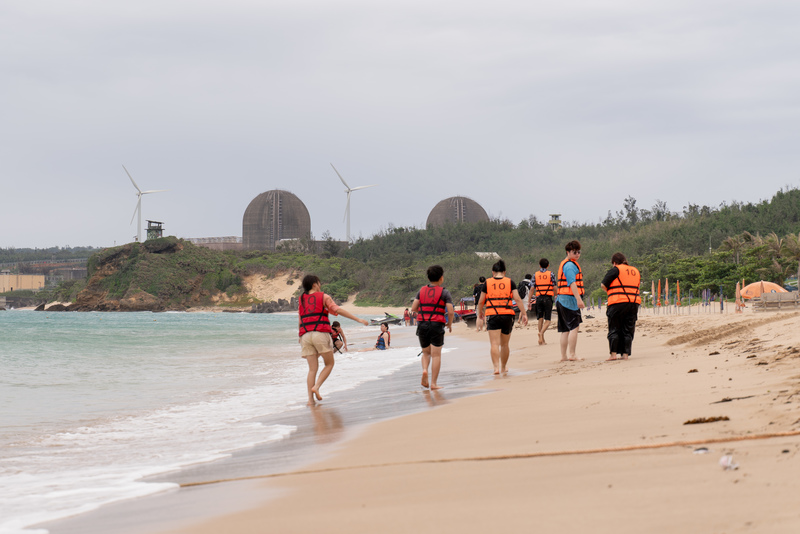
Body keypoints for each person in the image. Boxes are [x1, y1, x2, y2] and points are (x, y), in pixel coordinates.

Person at [298, 274, 369, 405]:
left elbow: (300, 318)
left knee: (312, 369)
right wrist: (358, 319)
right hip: (320, 333)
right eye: (319, 283)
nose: (320, 285)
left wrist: (300, 336)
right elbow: (338, 310)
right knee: (329, 364)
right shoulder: (324, 297)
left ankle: (310, 400)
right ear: (314, 284)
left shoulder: (302, 299)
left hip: (305, 335)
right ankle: (317, 387)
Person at [476, 260, 528, 374]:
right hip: (507, 315)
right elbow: (518, 299)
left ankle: (496, 368)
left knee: (494, 343)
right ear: (504, 272)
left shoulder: (487, 283)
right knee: (505, 344)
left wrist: (480, 312)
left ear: (492, 272)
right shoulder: (510, 282)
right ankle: (504, 367)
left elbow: (481, 301)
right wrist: (524, 313)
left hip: (492, 314)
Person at [411, 265, 455, 390]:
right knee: (436, 355)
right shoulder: (445, 292)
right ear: (441, 278)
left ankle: (425, 370)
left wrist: (425, 311)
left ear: (429, 278)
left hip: (422, 323)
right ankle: (434, 383)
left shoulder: (421, 291)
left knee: (426, 353)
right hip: (436, 324)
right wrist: (449, 324)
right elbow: (450, 311)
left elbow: (414, 308)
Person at [601, 252, 641, 361]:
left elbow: (603, 284)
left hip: (617, 302)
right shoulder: (635, 271)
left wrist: (610, 292)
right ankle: (625, 354)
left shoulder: (616, 269)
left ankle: (613, 354)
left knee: (614, 328)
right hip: (633, 303)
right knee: (628, 329)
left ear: (614, 263)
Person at [555, 241, 585, 361]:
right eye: (574, 252)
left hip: (561, 300)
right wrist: (579, 300)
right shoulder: (569, 266)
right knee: (574, 327)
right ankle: (572, 354)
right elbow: (572, 283)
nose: (577, 254)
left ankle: (563, 356)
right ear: (568, 252)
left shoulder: (567, 264)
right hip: (569, 301)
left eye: (578, 252)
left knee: (565, 329)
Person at [533, 258, 556, 345]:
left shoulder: (535, 275)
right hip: (548, 298)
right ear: (548, 266)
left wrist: (528, 301)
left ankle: (542, 340)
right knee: (548, 320)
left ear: (539, 265)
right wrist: (557, 295)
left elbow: (532, 288)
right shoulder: (551, 274)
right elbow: (554, 286)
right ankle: (541, 333)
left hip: (539, 298)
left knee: (540, 319)